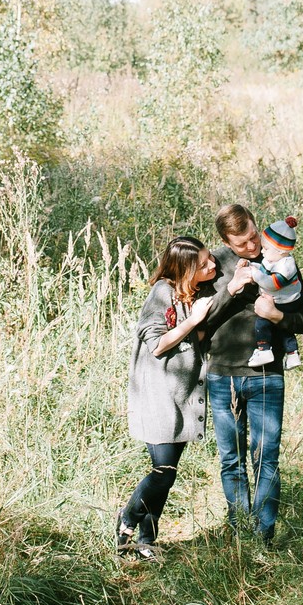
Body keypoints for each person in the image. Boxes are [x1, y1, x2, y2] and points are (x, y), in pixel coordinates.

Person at [203, 203, 303, 545]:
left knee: (266, 459)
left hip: (267, 376)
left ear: (256, 225)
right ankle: (240, 535)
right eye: (242, 244)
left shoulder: (280, 259)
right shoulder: (212, 265)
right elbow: (199, 325)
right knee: (231, 460)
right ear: (226, 242)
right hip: (222, 376)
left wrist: (278, 317)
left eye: (254, 237)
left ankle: (263, 537)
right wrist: (231, 289)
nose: (253, 247)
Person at [117, 235, 218, 559]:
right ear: (185, 269)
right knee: (163, 472)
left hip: (182, 397)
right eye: (203, 264)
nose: (212, 265)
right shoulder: (162, 292)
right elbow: (157, 344)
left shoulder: (195, 292)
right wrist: (195, 320)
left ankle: (146, 541)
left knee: (168, 473)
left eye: (210, 258)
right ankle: (127, 518)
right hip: (158, 396)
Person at [246, 215, 303, 370]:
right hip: (283, 300)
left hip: (286, 302)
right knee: (284, 329)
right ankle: (292, 354)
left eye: (265, 248)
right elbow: (263, 270)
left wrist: (254, 275)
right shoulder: (274, 259)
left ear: (281, 250)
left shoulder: (286, 266)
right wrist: (251, 266)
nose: (262, 251)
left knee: (262, 323)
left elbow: (271, 284)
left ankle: (264, 349)